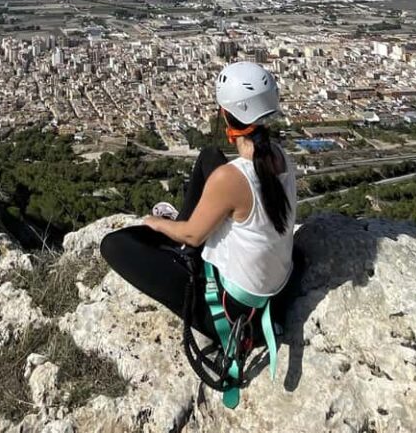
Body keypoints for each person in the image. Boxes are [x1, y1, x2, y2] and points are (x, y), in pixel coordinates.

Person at [100, 62, 297, 405]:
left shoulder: (232, 179)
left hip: (231, 308)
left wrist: (156, 223)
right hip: (275, 289)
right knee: (209, 156)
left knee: (114, 244)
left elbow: (192, 235)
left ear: (226, 115)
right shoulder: (280, 157)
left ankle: (172, 246)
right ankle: (179, 238)